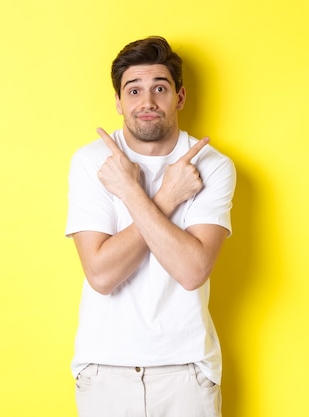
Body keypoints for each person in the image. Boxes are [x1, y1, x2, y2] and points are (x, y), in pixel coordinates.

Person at [65, 36, 236, 417]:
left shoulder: (213, 166)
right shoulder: (91, 163)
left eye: (160, 88)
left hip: (187, 370)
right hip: (104, 369)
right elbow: (102, 275)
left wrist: (131, 193)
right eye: (134, 90)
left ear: (179, 97)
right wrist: (164, 197)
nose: (147, 102)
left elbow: (192, 271)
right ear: (118, 101)